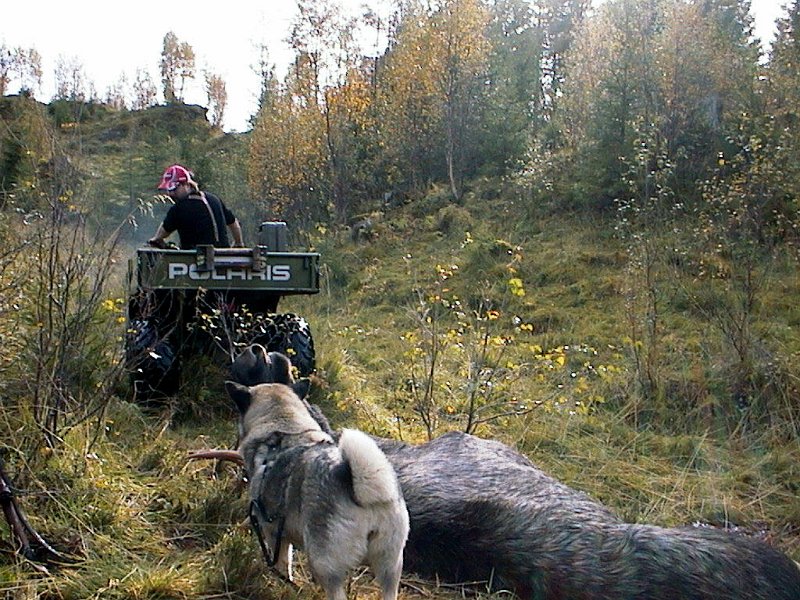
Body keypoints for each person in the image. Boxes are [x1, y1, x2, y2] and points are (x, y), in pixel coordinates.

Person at [148, 164, 244, 249]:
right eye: (168, 189)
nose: (170, 193)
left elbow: (161, 234)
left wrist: (156, 239)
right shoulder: (214, 199)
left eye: (173, 188)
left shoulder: (179, 208)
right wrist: (238, 243)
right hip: (223, 259)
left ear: (186, 185)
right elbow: (234, 223)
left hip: (195, 262)